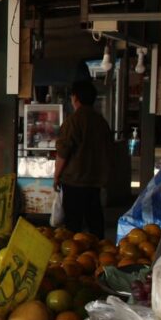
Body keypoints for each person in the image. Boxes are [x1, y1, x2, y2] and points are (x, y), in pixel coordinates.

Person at [54, 79, 112, 238]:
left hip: (74, 182)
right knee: (95, 223)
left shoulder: (73, 121)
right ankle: (99, 254)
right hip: (94, 182)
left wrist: (56, 175)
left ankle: (75, 259)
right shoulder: (101, 122)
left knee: (73, 227)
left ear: (75, 98)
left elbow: (63, 153)